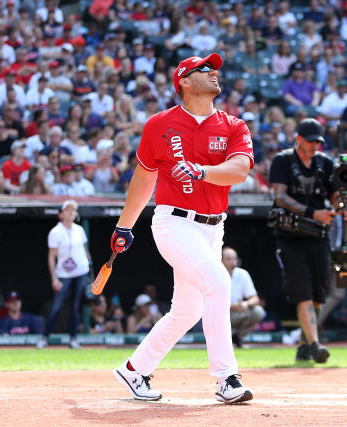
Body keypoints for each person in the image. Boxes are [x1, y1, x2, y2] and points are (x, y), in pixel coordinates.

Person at [109, 53, 254, 404]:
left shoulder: (234, 125)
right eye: (205, 69)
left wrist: (201, 170)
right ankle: (226, 378)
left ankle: (133, 370)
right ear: (184, 82)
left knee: (187, 311)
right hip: (174, 222)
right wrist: (124, 226)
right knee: (220, 283)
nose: (214, 72)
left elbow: (239, 170)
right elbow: (144, 178)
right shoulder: (159, 124)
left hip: (213, 227)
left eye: (215, 68)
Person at [269, 117, 347, 362]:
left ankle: (305, 344)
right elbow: (280, 196)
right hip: (291, 236)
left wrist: (344, 208)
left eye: (318, 141)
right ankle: (315, 344)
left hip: (319, 236)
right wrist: (311, 212)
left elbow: (336, 195)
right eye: (311, 141)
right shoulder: (282, 160)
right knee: (303, 293)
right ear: (298, 139)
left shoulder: (325, 163)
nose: (315, 145)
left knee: (317, 295)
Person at [37, 200, 92, 350]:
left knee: (75, 307)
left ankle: (73, 339)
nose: (71, 213)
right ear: (61, 214)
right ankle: (44, 338)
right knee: (56, 306)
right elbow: (51, 257)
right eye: (67, 210)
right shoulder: (55, 232)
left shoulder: (79, 230)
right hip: (64, 274)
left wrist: (90, 272)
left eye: (73, 210)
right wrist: (54, 277)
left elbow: (85, 250)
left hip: (81, 272)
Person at [221, 246, 266, 348]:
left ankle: (237, 337)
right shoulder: (215, 274)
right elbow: (207, 302)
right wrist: (230, 307)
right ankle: (222, 342)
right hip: (220, 316)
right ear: (221, 260)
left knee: (258, 311)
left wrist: (246, 304)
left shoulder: (242, 274)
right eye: (228, 259)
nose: (232, 262)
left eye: (234, 258)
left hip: (238, 314)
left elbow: (255, 298)